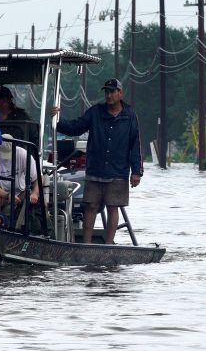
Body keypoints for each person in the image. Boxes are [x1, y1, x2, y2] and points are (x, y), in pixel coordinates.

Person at [50, 78, 143, 244]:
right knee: (91, 207)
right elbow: (75, 127)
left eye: (112, 91)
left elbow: (135, 145)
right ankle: (86, 244)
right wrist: (58, 119)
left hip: (118, 170)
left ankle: (108, 245)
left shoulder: (130, 115)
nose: (108, 95)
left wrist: (137, 172)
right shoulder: (95, 112)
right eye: (106, 91)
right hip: (95, 169)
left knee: (113, 208)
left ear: (120, 93)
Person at [0, 133, 40, 229]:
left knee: (31, 202)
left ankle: (23, 230)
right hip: (2, 192)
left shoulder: (23, 154)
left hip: (21, 192)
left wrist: (35, 193)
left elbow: (37, 178)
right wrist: (7, 195)